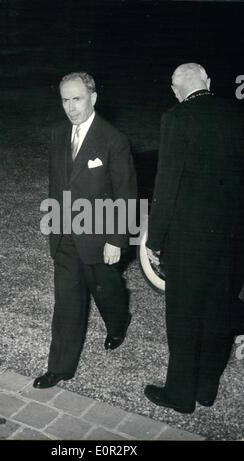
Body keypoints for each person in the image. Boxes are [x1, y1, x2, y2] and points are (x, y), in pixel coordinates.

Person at [144, 63, 244, 414]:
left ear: (176, 90)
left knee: (184, 314)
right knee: (219, 310)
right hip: (231, 238)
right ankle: (206, 388)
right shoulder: (237, 113)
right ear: (209, 82)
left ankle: (180, 395)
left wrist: (153, 238)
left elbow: (166, 184)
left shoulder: (176, 118)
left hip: (187, 239)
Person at [33, 72, 137, 389]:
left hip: (99, 235)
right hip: (66, 234)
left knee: (106, 290)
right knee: (67, 301)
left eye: (77, 99)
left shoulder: (113, 140)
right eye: (65, 99)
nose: (70, 107)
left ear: (93, 98)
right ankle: (61, 367)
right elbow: (57, 185)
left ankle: (119, 321)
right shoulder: (57, 133)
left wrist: (116, 240)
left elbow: (127, 193)